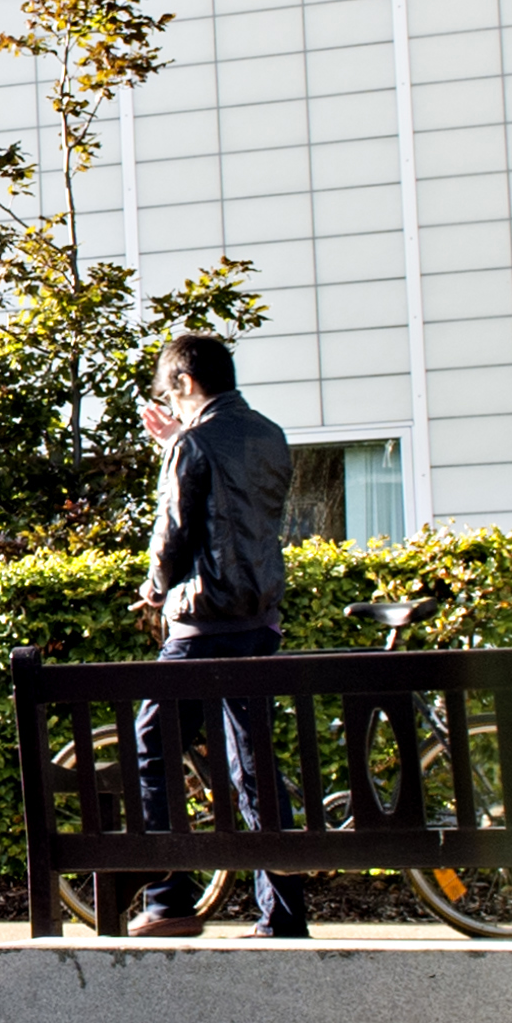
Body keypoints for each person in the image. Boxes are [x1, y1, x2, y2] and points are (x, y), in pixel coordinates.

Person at [124, 336, 306, 940]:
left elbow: (173, 535)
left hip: (202, 621)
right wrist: (178, 443)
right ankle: (281, 913)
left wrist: (153, 590)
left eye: (166, 389)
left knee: (151, 743)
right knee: (251, 756)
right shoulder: (268, 434)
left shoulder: (192, 444)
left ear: (182, 383)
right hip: (259, 619)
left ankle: (169, 898)